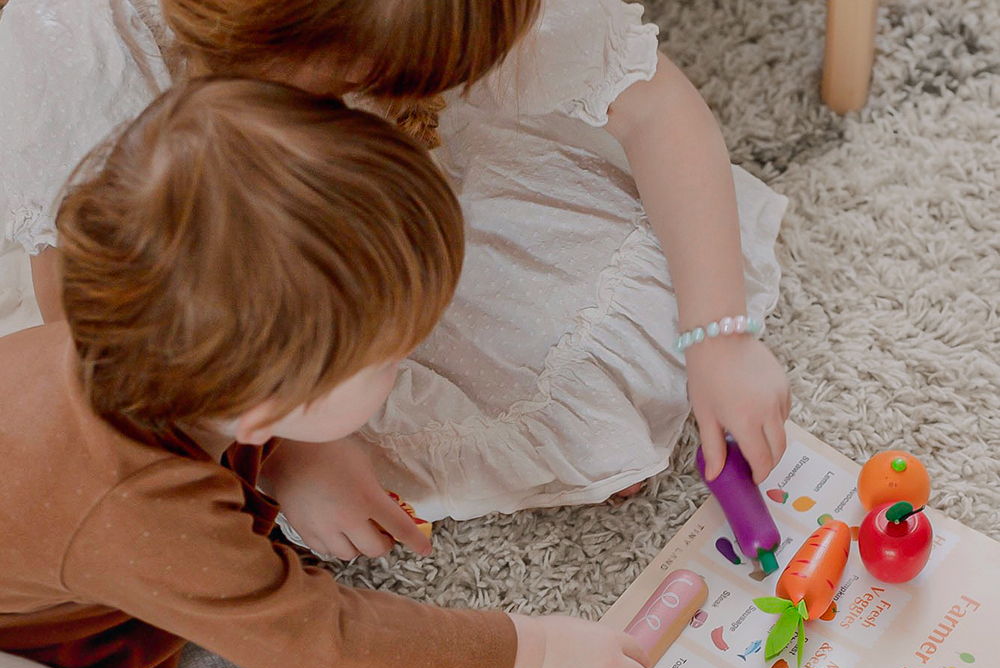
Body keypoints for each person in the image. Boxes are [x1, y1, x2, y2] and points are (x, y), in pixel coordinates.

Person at [0, 78, 649, 668]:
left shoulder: (148, 364)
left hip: (82, 591)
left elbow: (213, 573)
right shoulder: (138, 496)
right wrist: (530, 647)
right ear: (271, 401)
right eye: (391, 361)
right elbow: (328, 643)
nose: (407, 365)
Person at [0, 1, 790, 552]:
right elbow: (80, 309)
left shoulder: (416, 63)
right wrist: (286, 456)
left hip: (396, 204)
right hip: (233, 292)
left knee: (628, 335)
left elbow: (649, 105)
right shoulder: (81, 42)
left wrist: (718, 337)